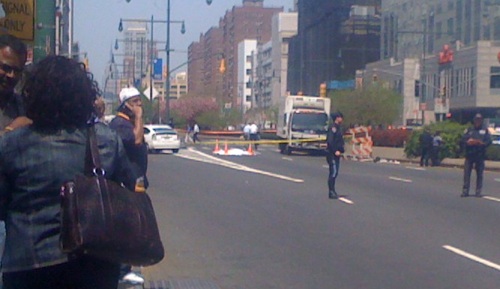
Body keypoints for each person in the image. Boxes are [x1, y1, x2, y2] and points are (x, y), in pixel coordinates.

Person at [0, 55, 135, 289]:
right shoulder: (105, 139)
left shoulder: (12, 144)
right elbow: (130, 185)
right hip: (95, 263)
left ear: (33, 95)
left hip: (29, 265)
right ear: (84, 97)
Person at [108, 87, 148, 285]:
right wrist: (139, 118)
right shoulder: (120, 125)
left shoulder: (126, 123)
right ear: (126, 104)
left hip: (135, 182)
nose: (139, 105)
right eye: (135, 102)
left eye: (140, 101)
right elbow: (137, 140)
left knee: (134, 225)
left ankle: (125, 267)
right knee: (128, 227)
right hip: (126, 183)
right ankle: (122, 269)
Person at [0, 34, 31, 287]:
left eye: (16, 72)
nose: (10, 76)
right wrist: (10, 132)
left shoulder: (19, 104)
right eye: (5, 67)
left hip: (11, 212)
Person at [460, 113, 492, 197]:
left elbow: (489, 141)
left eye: (479, 120)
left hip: (479, 155)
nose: (478, 121)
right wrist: (468, 142)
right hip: (470, 154)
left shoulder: (485, 130)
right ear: (474, 120)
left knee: (479, 174)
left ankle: (478, 191)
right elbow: (463, 139)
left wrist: (482, 143)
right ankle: (465, 190)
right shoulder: (469, 130)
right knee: (467, 173)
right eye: (476, 120)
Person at [326, 112, 345, 199]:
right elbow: (330, 141)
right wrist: (335, 151)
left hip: (337, 154)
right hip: (332, 154)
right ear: (337, 118)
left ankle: (333, 191)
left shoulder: (338, 128)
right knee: (333, 172)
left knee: (335, 172)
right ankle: (331, 191)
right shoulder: (333, 128)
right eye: (340, 117)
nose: (342, 119)